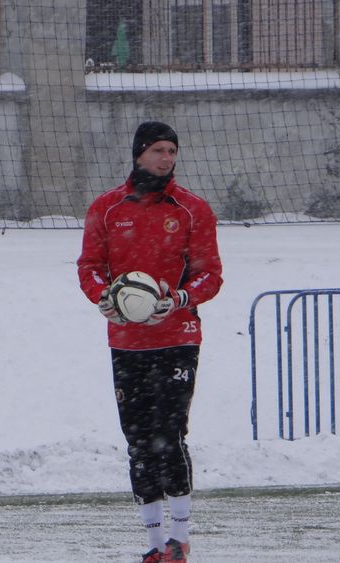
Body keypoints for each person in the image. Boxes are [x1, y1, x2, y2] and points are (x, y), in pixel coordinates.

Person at [77, 121, 223, 563]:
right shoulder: (106, 208)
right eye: (159, 149)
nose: (167, 158)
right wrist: (102, 297)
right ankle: (155, 545)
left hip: (177, 336)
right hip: (126, 340)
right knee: (138, 439)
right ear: (139, 152)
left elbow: (209, 274)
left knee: (169, 433)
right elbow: (90, 266)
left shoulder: (192, 209)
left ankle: (181, 538)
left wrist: (179, 298)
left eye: (172, 151)